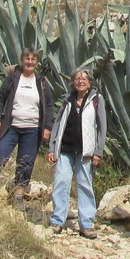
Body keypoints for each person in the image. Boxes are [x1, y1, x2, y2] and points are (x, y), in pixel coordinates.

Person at [0, 48, 53, 205]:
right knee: (0, 153)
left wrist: (47, 127)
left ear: (37, 62)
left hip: (32, 129)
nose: (29, 62)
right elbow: (0, 98)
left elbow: (49, 105)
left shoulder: (41, 82)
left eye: (33, 60)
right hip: (12, 126)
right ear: (22, 60)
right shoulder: (13, 78)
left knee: (26, 162)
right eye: (27, 59)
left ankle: (18, 197)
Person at [47, 68, 107, 239]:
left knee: (85, 185)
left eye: (84, 78)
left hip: (85, 151)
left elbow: (102, 126)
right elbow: (58, 124)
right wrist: (52, 147)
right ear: (73, 82)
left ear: (90, 82)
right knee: (61, 182)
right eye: (77, 79)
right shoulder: (67, 99)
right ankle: (57, 220)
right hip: (65, 148)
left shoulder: (96, 100)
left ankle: (86, 224)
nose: (81, 81)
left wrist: (98, 151)